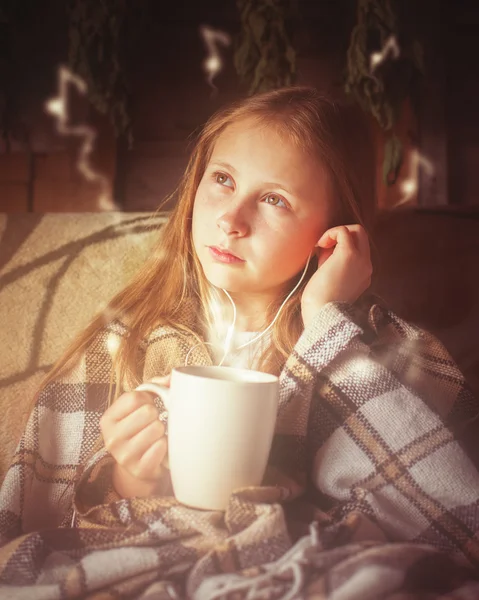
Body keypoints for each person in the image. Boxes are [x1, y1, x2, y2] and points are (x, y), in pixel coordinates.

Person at [0, 86, 478, 582]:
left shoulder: (384, 350)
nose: (231, 220)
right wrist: (130, 479)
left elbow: (450, 528)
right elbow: (45, 528)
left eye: (274, 199)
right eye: (223, 180)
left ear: (333, 230)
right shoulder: (123, 344)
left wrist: (325, 320)